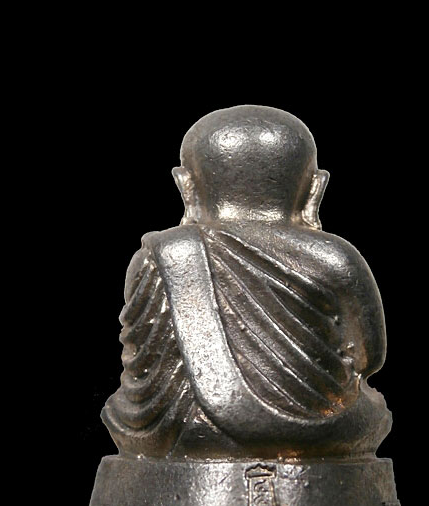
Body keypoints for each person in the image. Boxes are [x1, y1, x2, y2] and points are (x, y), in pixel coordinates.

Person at [102, 105, 392, 460]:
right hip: (317, 438)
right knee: (370, 408)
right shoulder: (334, 257)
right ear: (315, 189)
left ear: (185, 186)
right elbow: (370, 358)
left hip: (178, 433)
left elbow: (136, 356)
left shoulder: (157, 256)